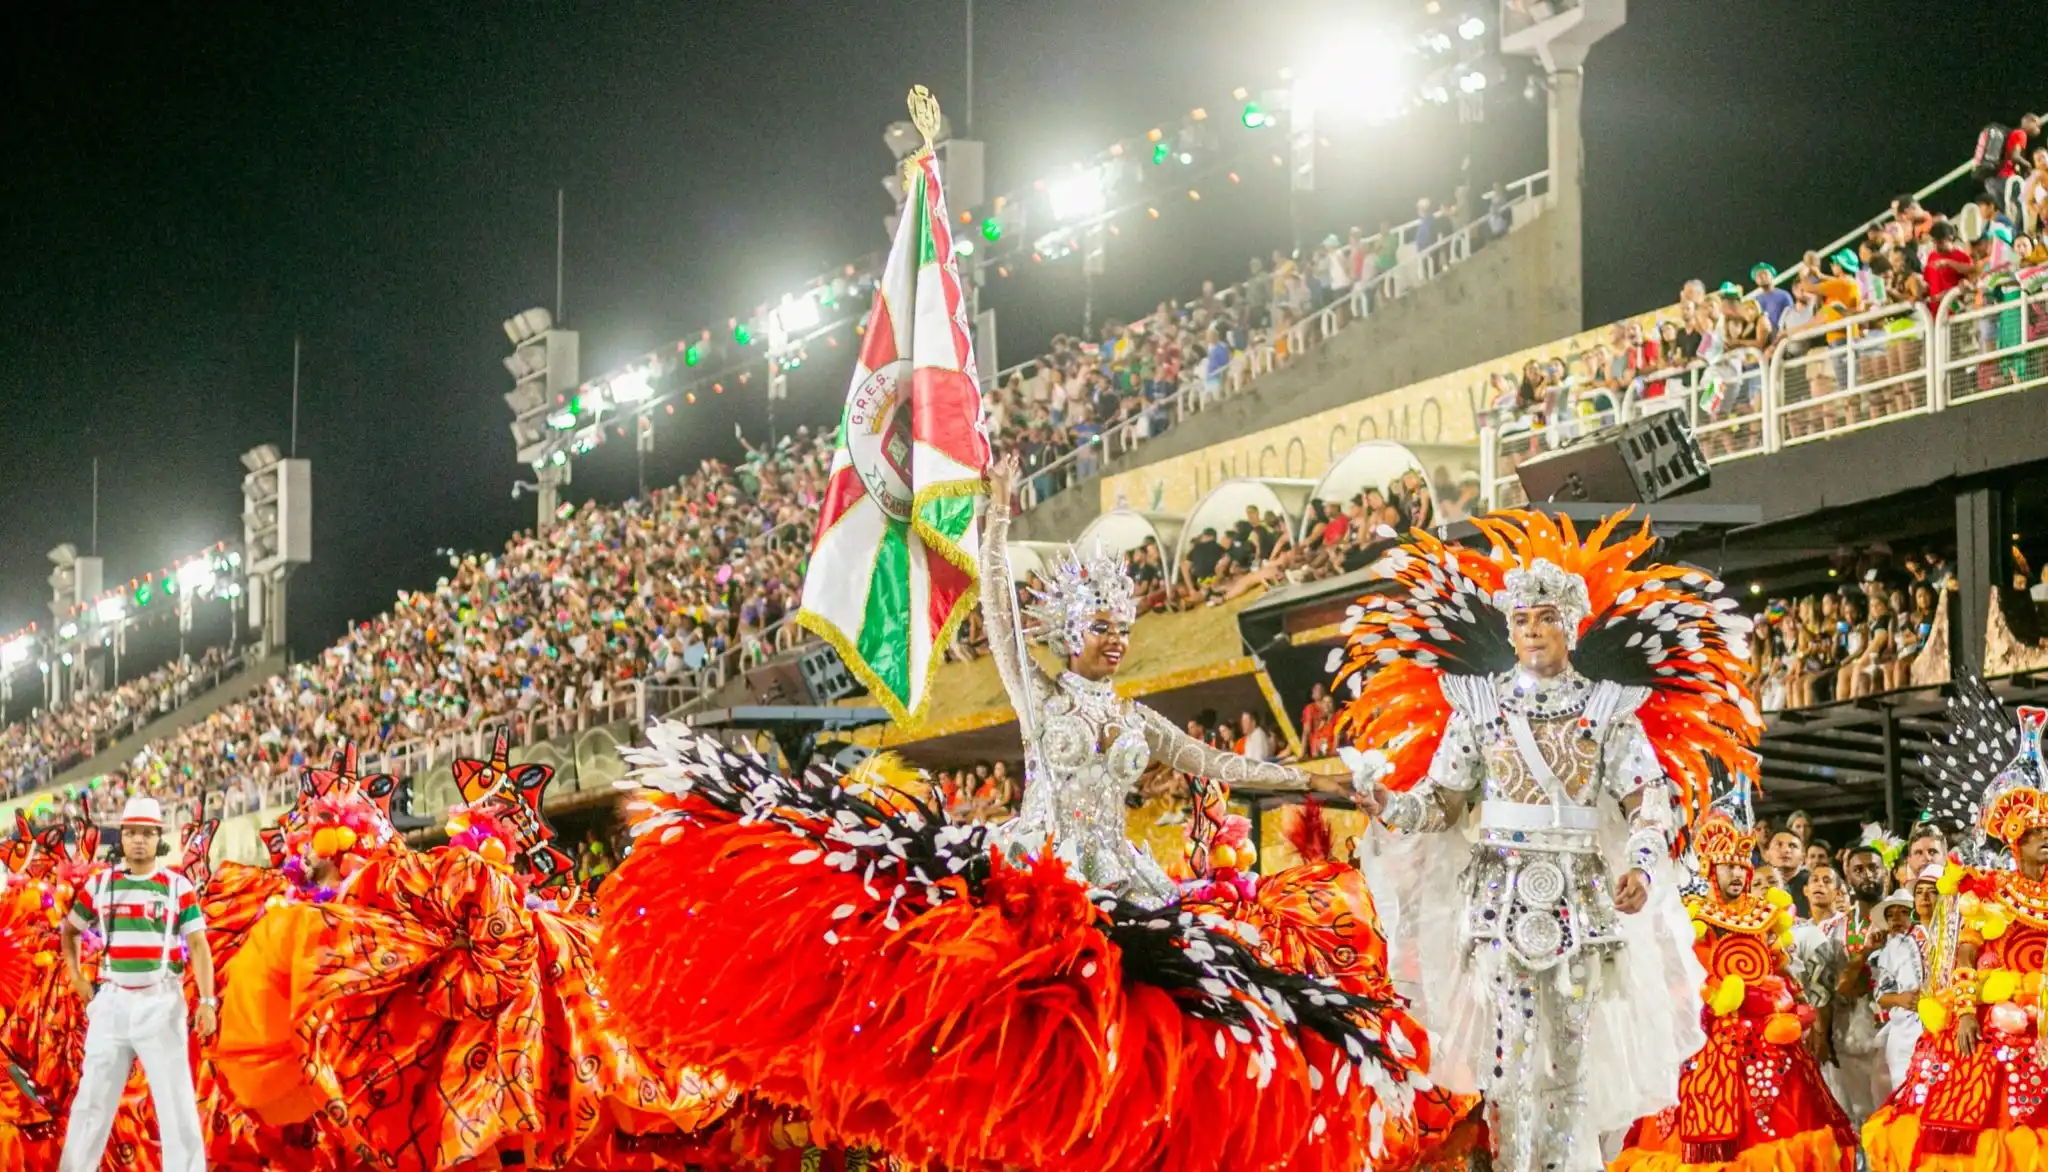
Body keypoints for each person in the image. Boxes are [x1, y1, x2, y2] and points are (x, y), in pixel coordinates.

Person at [1342, 511, 1759, 1172]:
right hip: (1500, 899)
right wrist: (1388, 803)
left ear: (1571, 625)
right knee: (1508, 1061)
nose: (1532, 632)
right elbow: (1441, 803)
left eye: (1545, 620)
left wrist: (1645, 871)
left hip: (1583, 901)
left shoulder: (1611, 710)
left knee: (1567, 1054)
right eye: (1522, 621)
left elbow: (1649, 806)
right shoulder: (1477, 706)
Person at [980, 454, 1315, 904]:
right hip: (1041, 876)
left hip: (1119, 875)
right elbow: (999, 613)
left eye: (1123, 630)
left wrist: (1309, 781)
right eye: (1101, 627)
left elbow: (1214, 763)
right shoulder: (1040, 695)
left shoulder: (1134, 717)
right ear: (1070, 633)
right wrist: (999, 511)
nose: (1116, 640)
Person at [1864, 688, 2048, 1170]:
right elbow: (1964, 956)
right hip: (1998, 1021)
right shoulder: (1986, 891)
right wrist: (1966, 1014)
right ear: (2015, 840)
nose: (2046, 841)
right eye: (2037, 835)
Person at [1611, 808, 1855, 1171]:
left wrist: (1800, 1009)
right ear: (1712, 870)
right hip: (1707, 1035)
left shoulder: (1765, 915)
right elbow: (1681, 976)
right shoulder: (1692, 915)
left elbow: (1782, 969)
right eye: (1730, 867)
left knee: (1784, 1125)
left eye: (1743, 867)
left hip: (1768, 1040)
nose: (1739, 874)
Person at [57, 796, 215, 1172]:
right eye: (132, 833)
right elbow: (69, 933)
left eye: (147, 833)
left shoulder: (179, 888)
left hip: (161, 1004)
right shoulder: (100, 885)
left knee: (176, 1104)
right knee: (91, 1102)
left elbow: (198, 944)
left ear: (158, 838)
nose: (139, 840)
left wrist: (208, 1000)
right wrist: (78, 979)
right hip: (111, 1004)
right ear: (122, 838)